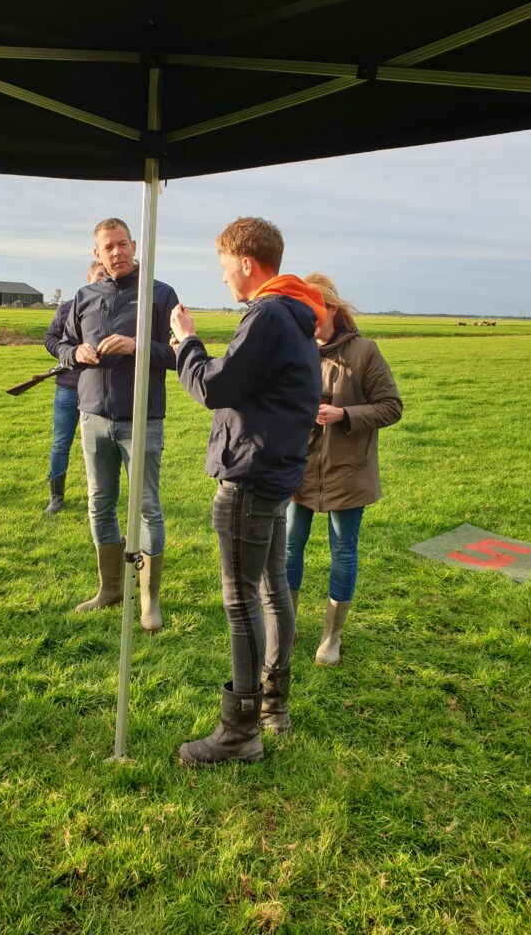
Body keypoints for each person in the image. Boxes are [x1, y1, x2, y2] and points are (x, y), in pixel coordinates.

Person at [170, 217, 326, 766]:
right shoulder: (297, 315)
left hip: (251, 477)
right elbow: (241, 379)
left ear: (245, 262)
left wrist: (187, 343)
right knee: (272, 587)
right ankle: (273, 706)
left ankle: (239, 732)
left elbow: (215, 387)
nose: (223, 280)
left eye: (223, 268)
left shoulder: (265, 314)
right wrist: (191, 351)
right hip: (278, 473)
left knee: (241, 600)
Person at [56, 218, 179, 633]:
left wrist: (137, 347)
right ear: (97, 253)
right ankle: (110, 588)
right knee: (99, 503)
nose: (116, 253)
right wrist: (75, 354)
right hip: (93, 417)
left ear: (134, 245)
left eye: (122, 244)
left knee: (147, 508)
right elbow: (56, 342)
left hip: (142, 418)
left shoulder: (159, 294)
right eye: (107, 247)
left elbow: (180, 354)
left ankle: (149, 600)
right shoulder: (84, 295)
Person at [286, 273, 402, 667]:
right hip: (298, 468)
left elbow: (391, 406)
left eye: (312, 311)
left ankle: (331, 637)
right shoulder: (294, 350)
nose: (305, 319)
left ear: (332, 309)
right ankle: (287, 626)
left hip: (348, 470)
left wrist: (344, 413)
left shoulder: (365, 352)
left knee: (343, 551)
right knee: (288, 547)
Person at [42, 261, 107, 514]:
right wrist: (70, 353)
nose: (103, 279)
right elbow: (50, 339)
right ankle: (56, 497)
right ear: (89, 277)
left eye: (107, 276)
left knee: (101, 445)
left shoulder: (115, 307)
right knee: (61, 442)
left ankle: (99, 497)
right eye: (99, 275)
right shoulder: (68, 307)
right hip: (69, 386)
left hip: (102, 387)